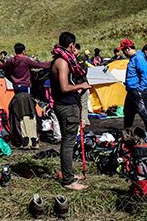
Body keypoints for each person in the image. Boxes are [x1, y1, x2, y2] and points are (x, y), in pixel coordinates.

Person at [50, 31, 89, 191]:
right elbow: (64, 87)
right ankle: (68, 180)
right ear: (72, 45)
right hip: (66, 106)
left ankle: (69, 173)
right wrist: (81, 86)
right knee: (68, 143)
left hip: (64, 104)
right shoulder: (63, 62)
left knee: (68, 142)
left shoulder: (58, 60)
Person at [119, 39, 147, 140]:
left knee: (145, 114)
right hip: (131, 90)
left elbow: (146, 75)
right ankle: (127, 135)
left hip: (138, 91)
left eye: (123, 50)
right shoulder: (133, 58)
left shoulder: (138, 58)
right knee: (128, 113)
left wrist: (140, 89)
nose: (123, 53)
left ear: (128, 49)